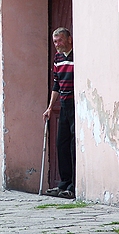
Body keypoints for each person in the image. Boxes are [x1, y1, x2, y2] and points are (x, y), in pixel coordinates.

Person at [42, 27, 75, 199]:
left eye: (60, 40)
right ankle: (64, 183)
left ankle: (74, 186)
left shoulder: (77, 55)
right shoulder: (57, 58)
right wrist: (49, 107)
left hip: (75, 104)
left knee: (72, 146)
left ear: (69, 39)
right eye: (55, 41)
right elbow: (56, 84)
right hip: (63, 104)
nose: (57, 44)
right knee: (61, 144)